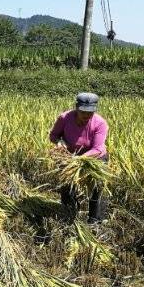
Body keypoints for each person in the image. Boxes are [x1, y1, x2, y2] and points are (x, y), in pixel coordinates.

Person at [49, 92, 109, 223]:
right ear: (77, 107)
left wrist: (78, 159)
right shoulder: (64, 118)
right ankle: (69, 216)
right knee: (67, 186)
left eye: (90, 113)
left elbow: (98, 149)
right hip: (70, 156)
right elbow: (53, 135)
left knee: (96, 188)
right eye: (83, 112)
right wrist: (59, 142)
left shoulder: (100, 123)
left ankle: (96, 221)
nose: (87, 116)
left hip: (95, 158)